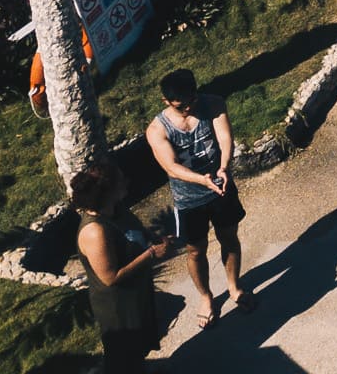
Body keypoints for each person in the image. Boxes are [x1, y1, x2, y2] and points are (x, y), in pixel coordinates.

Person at [147, 68, 244, 322]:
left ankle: (234, 287)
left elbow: (225, 139)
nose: (189, 109)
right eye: (181, 106)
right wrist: (202, 180)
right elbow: (171, 167)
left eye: (192, 101)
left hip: (221, 187)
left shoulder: (213, 104)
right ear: (166, 102)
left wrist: (223, 167)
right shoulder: (157, 130)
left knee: (229, 238)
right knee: (195, 251)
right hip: (189, 199)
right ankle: (206, 297)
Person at [72, 158, 174, 369]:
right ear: (108, 191)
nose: (126, 182)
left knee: (138, 349)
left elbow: (133, 232)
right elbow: (110, 277)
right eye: (121, 181)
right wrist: (151, 254)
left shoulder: (116, 210)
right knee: (124, 358)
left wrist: (153, 237)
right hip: (119, 308)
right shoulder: (95, 231)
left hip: (136, 296)